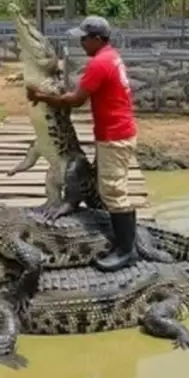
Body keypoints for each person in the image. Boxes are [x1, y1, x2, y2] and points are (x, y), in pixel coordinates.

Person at [25, 15, 140, 271]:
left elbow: (76, 100)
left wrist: (41, 96)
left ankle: (126, 251)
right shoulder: (111, 56)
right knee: (105, 184)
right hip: (115, 132)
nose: (81, 42)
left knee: (113, 191)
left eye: (85, 38)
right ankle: (119, 237)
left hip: (115, 135)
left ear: (98, 38)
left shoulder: (100, 63)